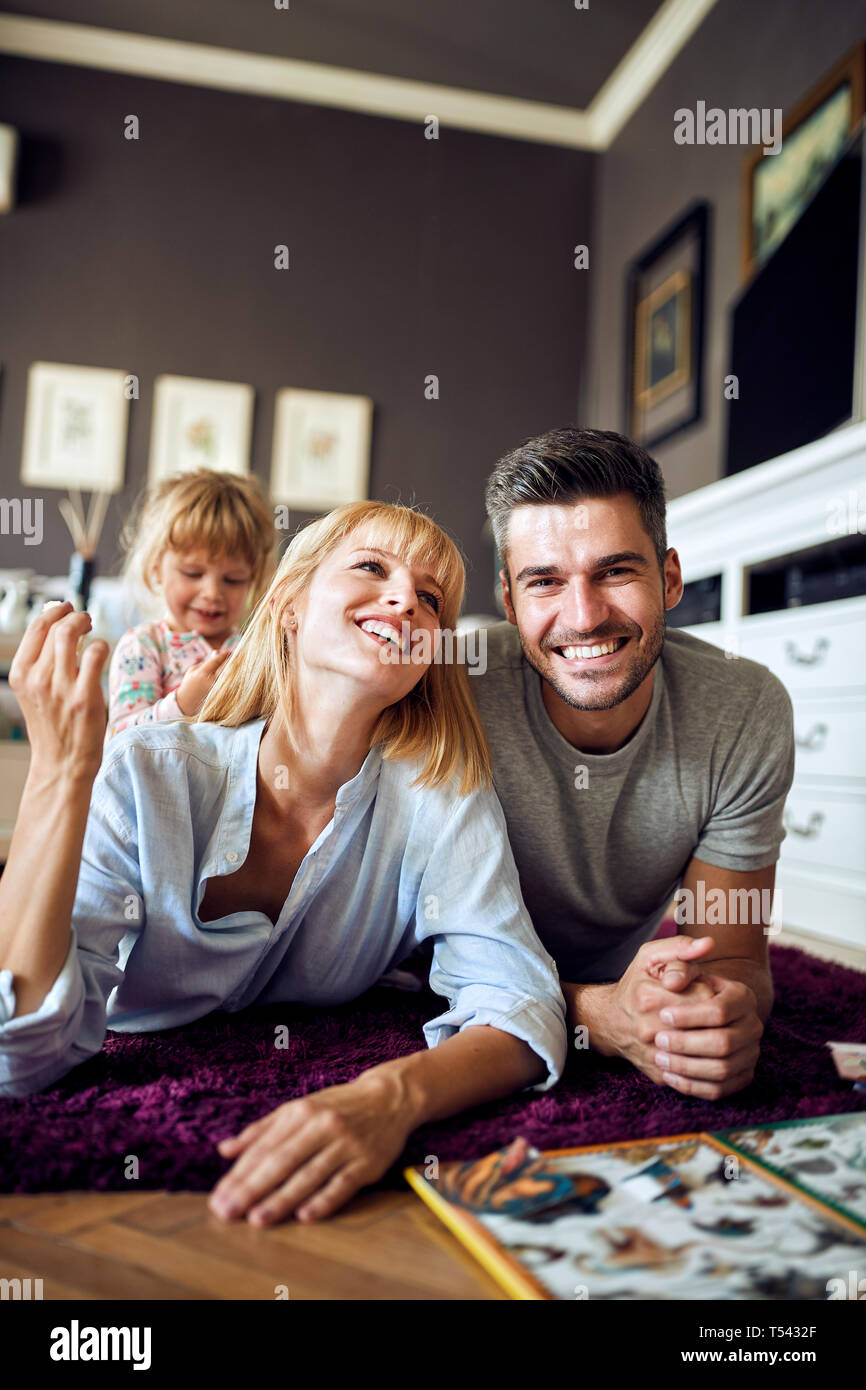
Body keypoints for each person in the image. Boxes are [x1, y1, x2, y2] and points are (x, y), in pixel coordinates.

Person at [0, 501, 566, 1228]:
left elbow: (519, 1002)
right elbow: (21, 1059)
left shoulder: (442, 792)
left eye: (431, 600)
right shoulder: (150, 769)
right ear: (289, 605)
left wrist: (388, 1099)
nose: (405, 600)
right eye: (372, 567)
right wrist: (60, 772)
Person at [474, 426, 795, 1101]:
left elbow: (735, 955)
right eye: (545, 582)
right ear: (508, 601)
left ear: (670, 577)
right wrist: (600, 1016)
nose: (585, 616)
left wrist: (713, 1016)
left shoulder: (745, 707)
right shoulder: (456, 693)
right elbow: (411, 964)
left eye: (616, 571)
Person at [105, 469, 276, 740]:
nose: (212, 592)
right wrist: (183, 703)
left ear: (252, 580)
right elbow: (121, 741)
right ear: (157, 568)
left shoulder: (254, 654)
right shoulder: (144, 646)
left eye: (232, 579)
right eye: (193, 574)